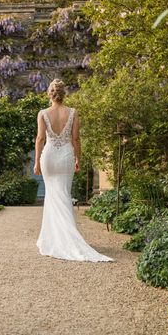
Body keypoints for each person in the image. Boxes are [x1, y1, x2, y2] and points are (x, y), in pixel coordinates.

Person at [34, 79, 115, 262]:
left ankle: (52, 239)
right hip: (65, 157)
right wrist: (78, 158)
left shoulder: (43, 113)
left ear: (50, 94)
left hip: (49, 157)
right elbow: (76, 139)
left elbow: (40, 139)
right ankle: (61, 237)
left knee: (53, 195)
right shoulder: (73, 113)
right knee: (63, 194)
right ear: (64, 94)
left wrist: (37, 161)